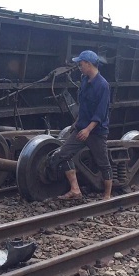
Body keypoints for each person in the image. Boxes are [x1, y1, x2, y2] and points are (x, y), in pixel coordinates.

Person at [52, 50, 112, 200]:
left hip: (96, 132)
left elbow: (100, 113)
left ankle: (107, 195)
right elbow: (83, 106)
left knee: (103, 163)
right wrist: (77, 123)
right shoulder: (84, 80)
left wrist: (88, 129)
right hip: (81, 128)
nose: (79, 66)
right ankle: (75, 190)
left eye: (81, 63)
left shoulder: (103, 86)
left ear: (89, 64)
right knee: (63, 154)